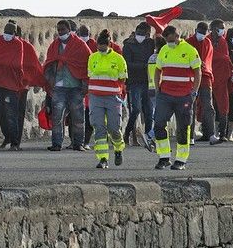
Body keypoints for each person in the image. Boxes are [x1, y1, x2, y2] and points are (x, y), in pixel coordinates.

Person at [0, 21, 43, 151]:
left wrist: (23, 81)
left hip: (15, 85)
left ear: (15, 34)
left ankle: (15, 142)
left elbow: (25, 66)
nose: (7, 35)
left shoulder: (21, 45)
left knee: (15, 114)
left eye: (10, 32)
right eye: (6, 31)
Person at [151, 25, 201, 171]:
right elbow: (157, 70)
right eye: (167, 41)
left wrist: (194, 92)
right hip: (165, 95)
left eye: (171, 40)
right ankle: (164, 157)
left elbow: (198, 72)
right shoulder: (165, 50)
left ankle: (181, 160)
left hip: (184, 96)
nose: (169, 43)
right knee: (159, 124)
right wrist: (157, 89)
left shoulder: (190, 51)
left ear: (176, 35)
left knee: (183, 128)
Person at [43, 20, 90, 152]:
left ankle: (78, 143)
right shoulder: (54, 45)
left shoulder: (80, 45)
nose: (60, 32)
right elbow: (49, 62)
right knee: (57, 116)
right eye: (58, 30)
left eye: (63, 30)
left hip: (75, 86)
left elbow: (87, 63)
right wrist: (50, 79)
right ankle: (57, 143)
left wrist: (85, 85)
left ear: (69, 30)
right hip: (58, 86)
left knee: (78, 116)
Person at [86, 30, 128, 169]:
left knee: (113, 128)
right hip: (96, 97)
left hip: (112, 98)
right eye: (99, 45)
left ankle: (118, 148)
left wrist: (121, 96)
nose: (101, 48)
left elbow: (122, 79)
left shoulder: (118, 59)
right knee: (98, 127)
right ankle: (103, 158)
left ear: (109, 44)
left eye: (103, 45)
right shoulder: (92, 57)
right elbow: (90, 76)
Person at [121, 21, 156, 149]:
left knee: (148, 111)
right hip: (134, 82)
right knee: (135, 109)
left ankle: (148, 136)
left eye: (144, 34)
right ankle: (127, 133)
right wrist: (144, 66)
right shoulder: (128, 45)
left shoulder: (150, 43)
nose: (141, 36)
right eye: (139, 33)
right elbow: (127, 63)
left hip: (147, 81)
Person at [212, 27, 233, 143]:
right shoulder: (224, 46)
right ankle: (218, 132)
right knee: (220, 107)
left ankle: (230, 134)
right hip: (223, 80)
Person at [186, 21, 217, 145]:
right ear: (195, 30)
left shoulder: (208, 42)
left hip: (205, 77)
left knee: (208, 106)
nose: (201, 35)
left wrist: (202, 64)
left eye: (204, 33)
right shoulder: (188, 42)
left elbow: (207, 60)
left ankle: (211, 134)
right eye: (200, 32)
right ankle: (190, 136)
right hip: (191, 78)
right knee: (190, 106)